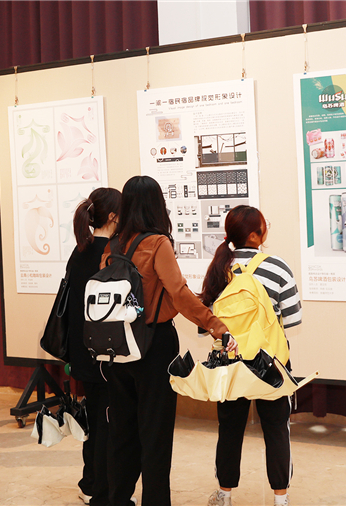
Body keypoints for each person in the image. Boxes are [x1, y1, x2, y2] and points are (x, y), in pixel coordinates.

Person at [102, 176, 234, 506]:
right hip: (153, 346)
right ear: (157, 205)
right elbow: (178, 293)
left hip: (115, 347)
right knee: (155, 435)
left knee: (122, 434)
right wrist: (215, 325)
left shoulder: (113, 246)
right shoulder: (157, 243)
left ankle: (118, 500)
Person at [200, 206, 302, 506]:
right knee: (276, 429)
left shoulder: (219, 268)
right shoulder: (278, 267)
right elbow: (293, 319)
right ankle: (280, 499)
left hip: (230, 362)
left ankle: (225, 495)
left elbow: (204, 324)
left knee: (229, 429)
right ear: (257, 236)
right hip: (270, 362)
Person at [63, 188, 121, 506]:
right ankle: (102, 488)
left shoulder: (80, 251)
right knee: (107, 421)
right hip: (107, 353)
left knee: (95, 418)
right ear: (113, 216)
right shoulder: (110, 253)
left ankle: (89, 482)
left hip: (82, 351)